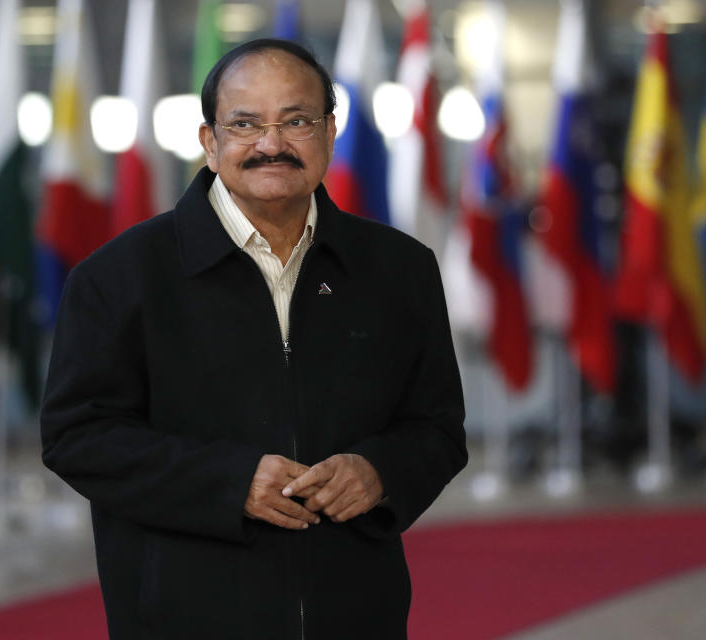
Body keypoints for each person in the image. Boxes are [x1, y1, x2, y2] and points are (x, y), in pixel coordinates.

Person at [41, 38, 467, 640]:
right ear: (209, 143)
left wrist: (380, 471)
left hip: (356, 613)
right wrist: (230, 482)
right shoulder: (119, 276)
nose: (272, 144)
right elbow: (76, 436)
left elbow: (439, 427)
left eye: (296, 121)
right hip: (181, 616)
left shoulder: (401, 269)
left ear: (330, 131)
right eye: (245, 124)